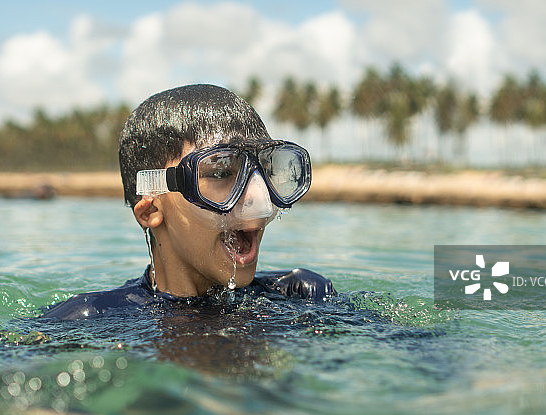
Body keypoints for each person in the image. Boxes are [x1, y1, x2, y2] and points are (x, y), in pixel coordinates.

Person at [42, 84, 335, 320]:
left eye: (265, 171)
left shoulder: (302, 296)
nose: (262, 203)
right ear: (151, 210)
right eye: (220, 172)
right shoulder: (91, 319)